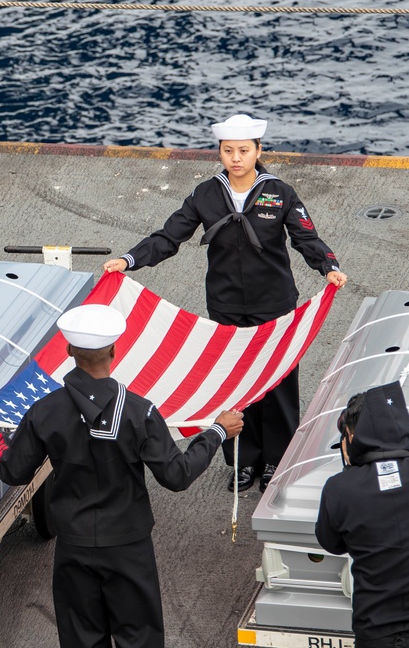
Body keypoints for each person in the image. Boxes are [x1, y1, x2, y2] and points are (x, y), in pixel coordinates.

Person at [0, 303, 243, 648]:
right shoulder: (140, 411)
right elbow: (176, 475)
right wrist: (215, 432)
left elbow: (14, 469)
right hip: (129, 548)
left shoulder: (44, 411)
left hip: (73, 548)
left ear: (68, 351)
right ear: (113, 350)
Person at [103, 114, 347, 493]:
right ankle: (242, 461)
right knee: (235, 383)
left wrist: (328, 268)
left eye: (244, 151)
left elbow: (306, 238)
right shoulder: (206, 194)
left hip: (275, 305)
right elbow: (170, 236)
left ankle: (275, 461)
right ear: (219, 152)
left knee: (279, 383)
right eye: (229, 151)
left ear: (258, 151)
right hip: (226, 306)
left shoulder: (279, 192)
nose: (236, 158)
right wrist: (129, 260)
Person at [315, 382, 409, 647]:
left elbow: (331, 543)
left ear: (352, 437)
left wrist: (349, 470)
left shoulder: (340, 490)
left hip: (376, 632)